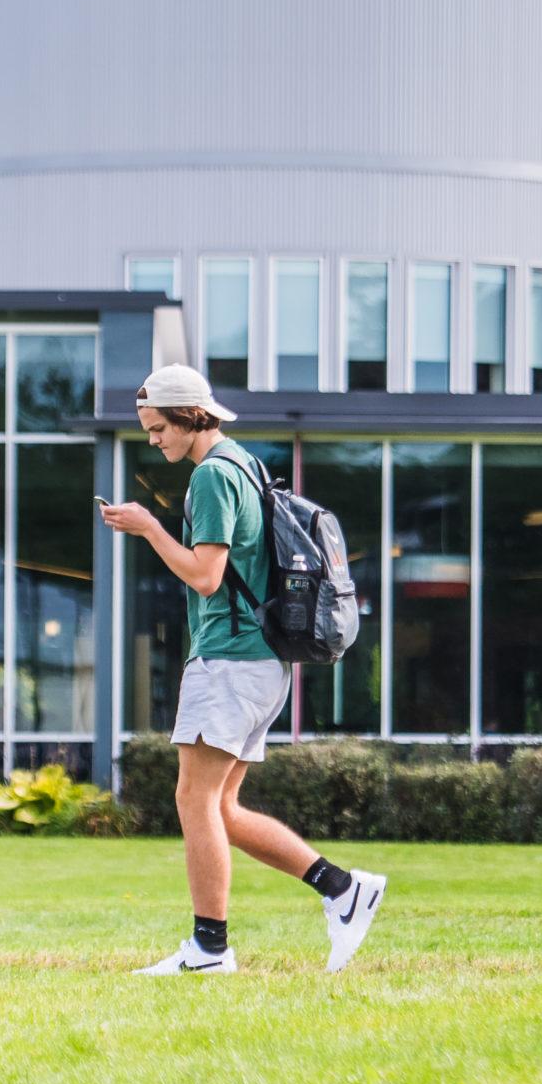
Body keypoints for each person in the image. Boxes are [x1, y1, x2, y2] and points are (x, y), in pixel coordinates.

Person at [98, 364, 386, 975]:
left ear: (189, 417)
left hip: (229, 660)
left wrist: (148, 527)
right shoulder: (246, 465)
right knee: (221, 807)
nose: (154, 441)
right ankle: (342, 889)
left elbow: (205, 574)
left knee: (193, 800)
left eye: (157, 430)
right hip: (261, 664)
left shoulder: (210, 478)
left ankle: (209, 948)